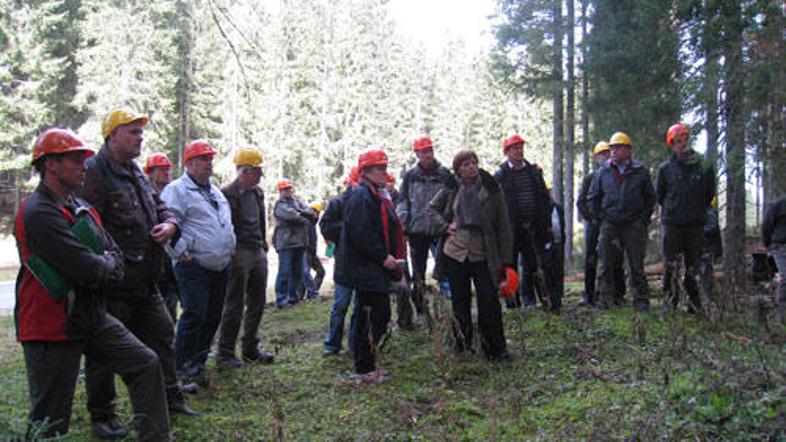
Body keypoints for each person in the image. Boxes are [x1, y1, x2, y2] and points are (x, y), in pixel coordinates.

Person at [14, 128, 169, 441]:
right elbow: (87, 267)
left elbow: (112, 255)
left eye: (83, 159)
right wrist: (105, 264)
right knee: (50, 420)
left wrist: (105, 264)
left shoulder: (79, 206)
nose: (83, 166)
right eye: (74, 159)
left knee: (145, 363)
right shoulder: (38, 211)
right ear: (50, 164)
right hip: (50, 326)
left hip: (89, 315)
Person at [79, 109, 197, 439]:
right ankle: (103, 416)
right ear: (112, 135)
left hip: (146, 281)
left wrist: (170, 224)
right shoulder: (94, 173)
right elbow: (86, 226)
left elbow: (160, 206)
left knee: (163, 335)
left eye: (140, 132)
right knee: (104, 353)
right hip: (113, 285)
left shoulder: (135, 172)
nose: (139, 137)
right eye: (132, 131)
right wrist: (104, 267)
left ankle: (170, 398)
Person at [161, 140, 236, 384]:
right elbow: (167, 222)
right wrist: (181, 252)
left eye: (210, 159)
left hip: (220, 265)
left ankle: (198, 363)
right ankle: (181, 368)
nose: (209, 164)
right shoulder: (176, 190)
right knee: (194, 315)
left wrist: (229, 248)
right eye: (203, 159)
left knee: (213, 316)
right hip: (193, 265)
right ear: (189, 163)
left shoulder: (214, 192)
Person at [428, 149, 513, 361]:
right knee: (460, 301)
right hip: (456, 251)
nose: (471, 167)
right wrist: (445, 226)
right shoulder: (451, 186)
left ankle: (495, 349)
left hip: (483, 252)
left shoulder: (491, 187)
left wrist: (506, 260)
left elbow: (503, 224)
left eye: (474, 163)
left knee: (489, 300)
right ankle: (462, 347)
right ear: (458, 169)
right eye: (466, 165)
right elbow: (431, 209)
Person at [337, 149, 403, 381]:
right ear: (365, 171)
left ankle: (367, 365)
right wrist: (382, 256)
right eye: (380, 168)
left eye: (385, 167)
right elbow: (362, 233)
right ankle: (364, 368)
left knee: (372, 316)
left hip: (370, 267)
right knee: (374, 316)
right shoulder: (361, 196)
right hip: (366, 268)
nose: (385, 172)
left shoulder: (374, 194)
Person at [216, 148, 275, 369]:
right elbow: (223, 225)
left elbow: (260, 219)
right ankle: (225, 353)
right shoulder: (226, 193)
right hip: (238, 250)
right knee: (234, 303)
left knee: (257, 301)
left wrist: (263, 243)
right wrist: (229, 251)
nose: (260, 175)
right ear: (245, 171)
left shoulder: (257, 193)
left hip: (256, 249)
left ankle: (250, 349)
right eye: (257, 171)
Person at [588, 132, 656, 312]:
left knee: (636, 265)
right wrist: (601, 219)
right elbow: (593, 197)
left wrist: (642, 220)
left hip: (633, 224)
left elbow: (650, 198)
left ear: (628, 150)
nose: (613, 151)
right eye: (612, 148)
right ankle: (604, 300)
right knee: (605, 263)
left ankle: (641, 301)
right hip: (610, 223)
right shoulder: (603, 171)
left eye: (617, 148)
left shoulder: (640, 171)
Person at [656, 123, 716, 314]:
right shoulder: (665, 169)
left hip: (695, 225)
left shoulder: (704, 166)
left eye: (684, 139)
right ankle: (670, 303)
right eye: (677, 141)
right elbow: (660, 195)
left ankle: (694, 305)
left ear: (689, 140)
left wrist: (696, 210)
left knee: (694, 266)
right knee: (670, 265)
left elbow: (709, 193)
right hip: (672, 224)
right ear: (672, 145)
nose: (681, 144)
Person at [494, 134, 555, 310]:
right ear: (507, 152)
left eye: (520, 147)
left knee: (531, 264)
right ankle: (512, 301)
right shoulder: (500, 176)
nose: (519, 151)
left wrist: (546, 221)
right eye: (515, 148)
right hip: (511, 229)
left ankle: (530, 300)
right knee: (510, 264)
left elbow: (544, 197)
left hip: (533, 226)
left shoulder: (534, 172)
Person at [396, 137, 450, 316]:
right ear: (417, 154)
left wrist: (448, 222)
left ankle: (448, 304)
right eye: (423, 151)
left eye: (430, 150)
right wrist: (404, 228)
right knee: (418, 271)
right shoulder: (410, 176)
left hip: (441, 229)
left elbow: (452, 199)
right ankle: (420, 307)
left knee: (445, 267)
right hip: (417, 230)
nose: (428, 154)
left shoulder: (444, 174)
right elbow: (403, 203)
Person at [576, 142, 626, 306]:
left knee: (616, 258)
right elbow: (581, 202)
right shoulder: (589, 178)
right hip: (594, 225)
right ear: (596, 158)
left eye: (607, 153)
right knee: (591, 259)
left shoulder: (617, 176)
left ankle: (618, 294)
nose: (605, 156)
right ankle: (588, 293)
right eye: (602, 154)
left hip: (612, 223)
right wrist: (591, 218)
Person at [320, 170, 359, 356]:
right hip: (344, 261)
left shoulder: (372, 200)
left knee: (360, 307)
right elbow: (325, 227)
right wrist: (347, 227)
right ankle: (332, 344)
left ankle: (355, 344)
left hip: (365, 263)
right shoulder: (338, 203)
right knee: (341, 304)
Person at [144, 152, 180, 321]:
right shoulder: (143, 192)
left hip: (173, 252)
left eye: (167, 169)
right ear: (150, 173)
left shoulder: (176, 192)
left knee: (172, 296)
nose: (166, 173)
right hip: (154, 252)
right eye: (161, 169)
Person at [272, 179, 316, 307]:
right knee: (284, 272)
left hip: (300, 242)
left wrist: (301, 212)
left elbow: (311, 212)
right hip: (286, 243)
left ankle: (293, 298)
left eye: (289, 188)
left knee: (297, 272)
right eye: (285, 189)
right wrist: (303, 214)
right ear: (280, 191)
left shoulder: (297, 202)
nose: (288, 191)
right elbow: (292, 216)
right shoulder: (279, 205)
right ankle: (282, 299)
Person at [762, 195, 786, 324]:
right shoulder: (778, 204)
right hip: (780, 246)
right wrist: (768, 244)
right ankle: (779, 317)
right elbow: (767, 224)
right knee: (784, 278)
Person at [544, 184, 565, 308]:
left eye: (549, 191)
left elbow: (562, 227)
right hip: (545, 245)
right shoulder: (540, 208)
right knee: (547, 272)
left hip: (557, 244)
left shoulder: (558, 208)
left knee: (557, 271)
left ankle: (557, 298)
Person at [301, 202, 325, 300]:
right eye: (317, 212)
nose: (318, 215)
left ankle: (311, 294)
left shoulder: (312, 222)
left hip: (312, 252)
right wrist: (308, 250)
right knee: (305, 274)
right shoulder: (306, 222)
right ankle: (302, 296)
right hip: (307, 251)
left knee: (320, 271)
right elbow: (306, 239)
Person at [701, 196, 722, 299]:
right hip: (707, 247)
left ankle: (706, 295)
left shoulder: (709, 213)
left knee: (705, 271)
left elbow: (711, 229)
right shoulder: (709, 212)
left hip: (708, 248)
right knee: (704, 271)